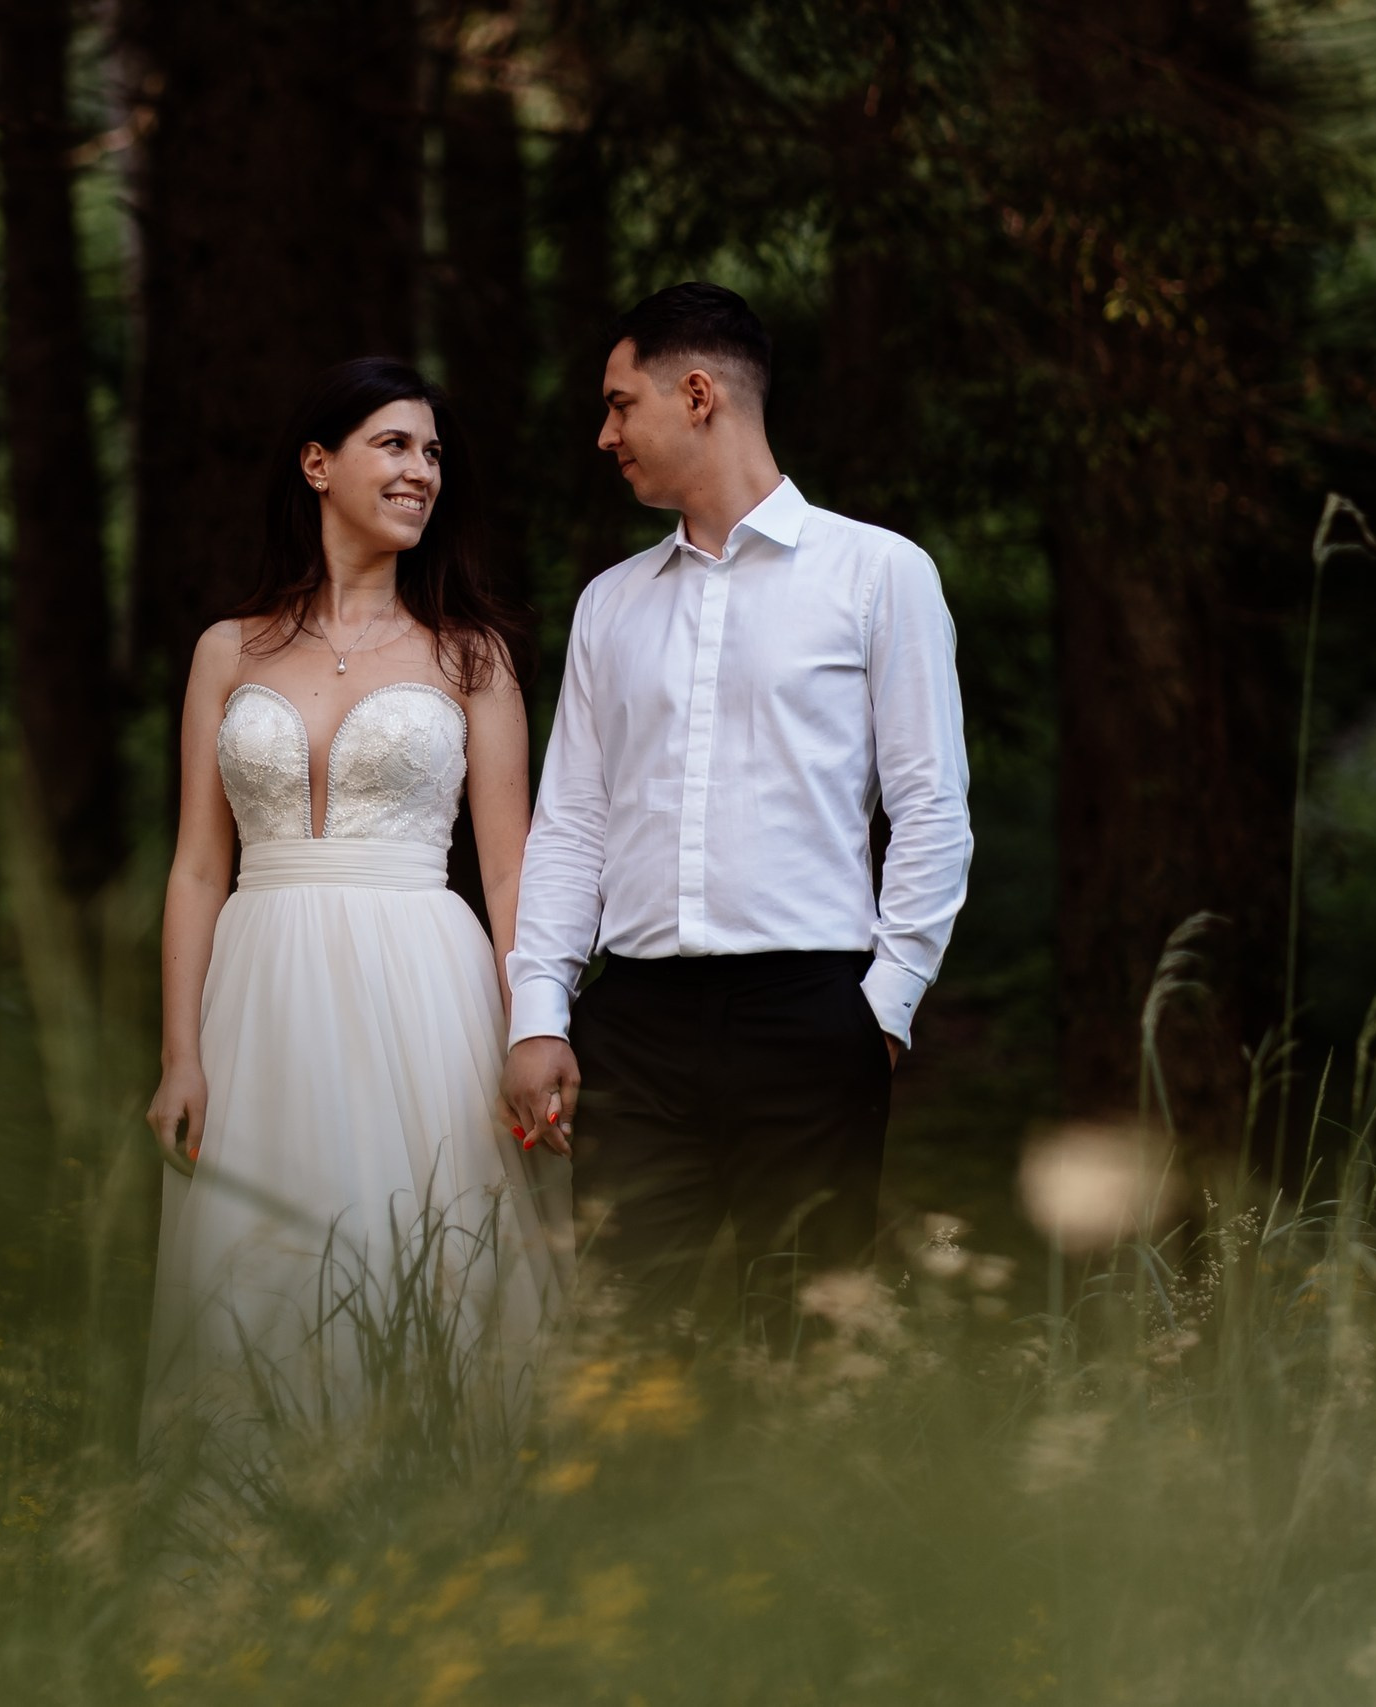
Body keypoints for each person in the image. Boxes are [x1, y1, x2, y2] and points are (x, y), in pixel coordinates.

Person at [500, 283, 972, 1329]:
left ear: (699, 394)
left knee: (801, 1344)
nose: (604, 434)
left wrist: (881, 1008)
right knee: (628, 1340)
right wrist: (540, 1011)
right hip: (632, 1029)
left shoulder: (878, 574)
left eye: (622, 405)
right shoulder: (609, 604)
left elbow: (932, 807)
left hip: (811, 1019)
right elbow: (572, 822)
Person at [143, 357, 569, 1441]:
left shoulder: (471, 656)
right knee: (260, 1261)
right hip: (261, 986)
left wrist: (536, 1026)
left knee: (415, 1245)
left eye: (431, 454)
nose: (421, 471)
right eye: (394, 445)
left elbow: (511, 867)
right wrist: (180, 1053)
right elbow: (197, 863)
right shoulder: (226, 651)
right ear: (317, 463)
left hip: (421, 983)